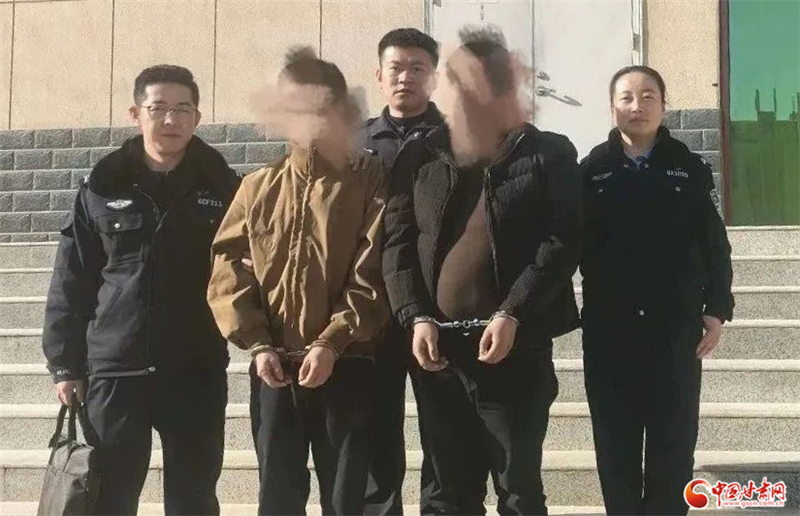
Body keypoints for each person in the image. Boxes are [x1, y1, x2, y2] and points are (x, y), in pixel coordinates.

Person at [382, 27, 582, 515]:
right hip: (439, 354)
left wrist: (513, 312)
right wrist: (415, 316)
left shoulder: (548, 152)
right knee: (446, 492)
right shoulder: (422, 154)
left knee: (517, 490)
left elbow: (562, 241)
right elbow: (398, 244)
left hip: (514, 350)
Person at [42, 64, 240, 515]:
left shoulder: (225, 187)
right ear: (136, 114)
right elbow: (72, 280)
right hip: (116, 370)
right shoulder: (101, 186)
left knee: (194, 498)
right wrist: (65, 364)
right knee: (110, 498)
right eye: (158, 108)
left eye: (183, 109)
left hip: (195, 369)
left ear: (197, 118)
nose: (171, 120)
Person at [207, 47, 389, 516]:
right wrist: (257, 343)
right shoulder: (257, 186)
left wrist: (332, 341)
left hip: (346, 364)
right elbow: (230, 266)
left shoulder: (367, 180)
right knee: (278, 495)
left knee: (346, 498)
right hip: (274, 366)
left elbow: (372, 270)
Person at [580, 65, 734, 515]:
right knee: (615, 445)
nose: (637, 106)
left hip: (675, 328)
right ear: (612, 108)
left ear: (664, 106)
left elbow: (714, 244)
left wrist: (716, 308)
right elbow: (566, 246)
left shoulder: (688, 168)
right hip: (610, 331)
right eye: (626, 97)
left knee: (674, 441)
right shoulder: (591, 172)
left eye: (648, 96)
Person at [357, 28, 445, 516]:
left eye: (417, 68)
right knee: (376, 432)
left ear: (434, 77)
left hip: (436, 307)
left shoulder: (455, 141)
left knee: (444, 431)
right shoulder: (356, 142)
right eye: (395, 68)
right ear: (379, 74)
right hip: (371, 308)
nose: (405, 78)